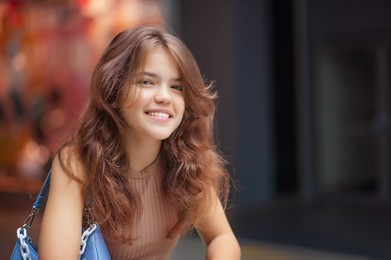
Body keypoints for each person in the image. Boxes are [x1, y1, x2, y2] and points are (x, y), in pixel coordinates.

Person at [38, 26, 241, 259]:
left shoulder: (188, 162)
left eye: (176, 87)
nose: (164, 96)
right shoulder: (76, 165)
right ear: (114, 90)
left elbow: (222, 238)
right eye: (147, 82)